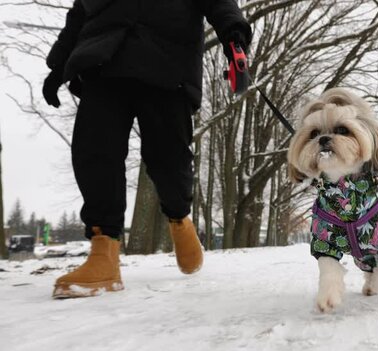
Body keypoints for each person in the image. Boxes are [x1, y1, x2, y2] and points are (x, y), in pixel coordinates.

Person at [42, 0, 252, 299]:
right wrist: (57, 65)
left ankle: (179, 217)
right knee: (94, 151)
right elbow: (79, 14)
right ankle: (105, 251)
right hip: (103, 60)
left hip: (167, 63)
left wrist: (234, 38)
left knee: (168, 160)